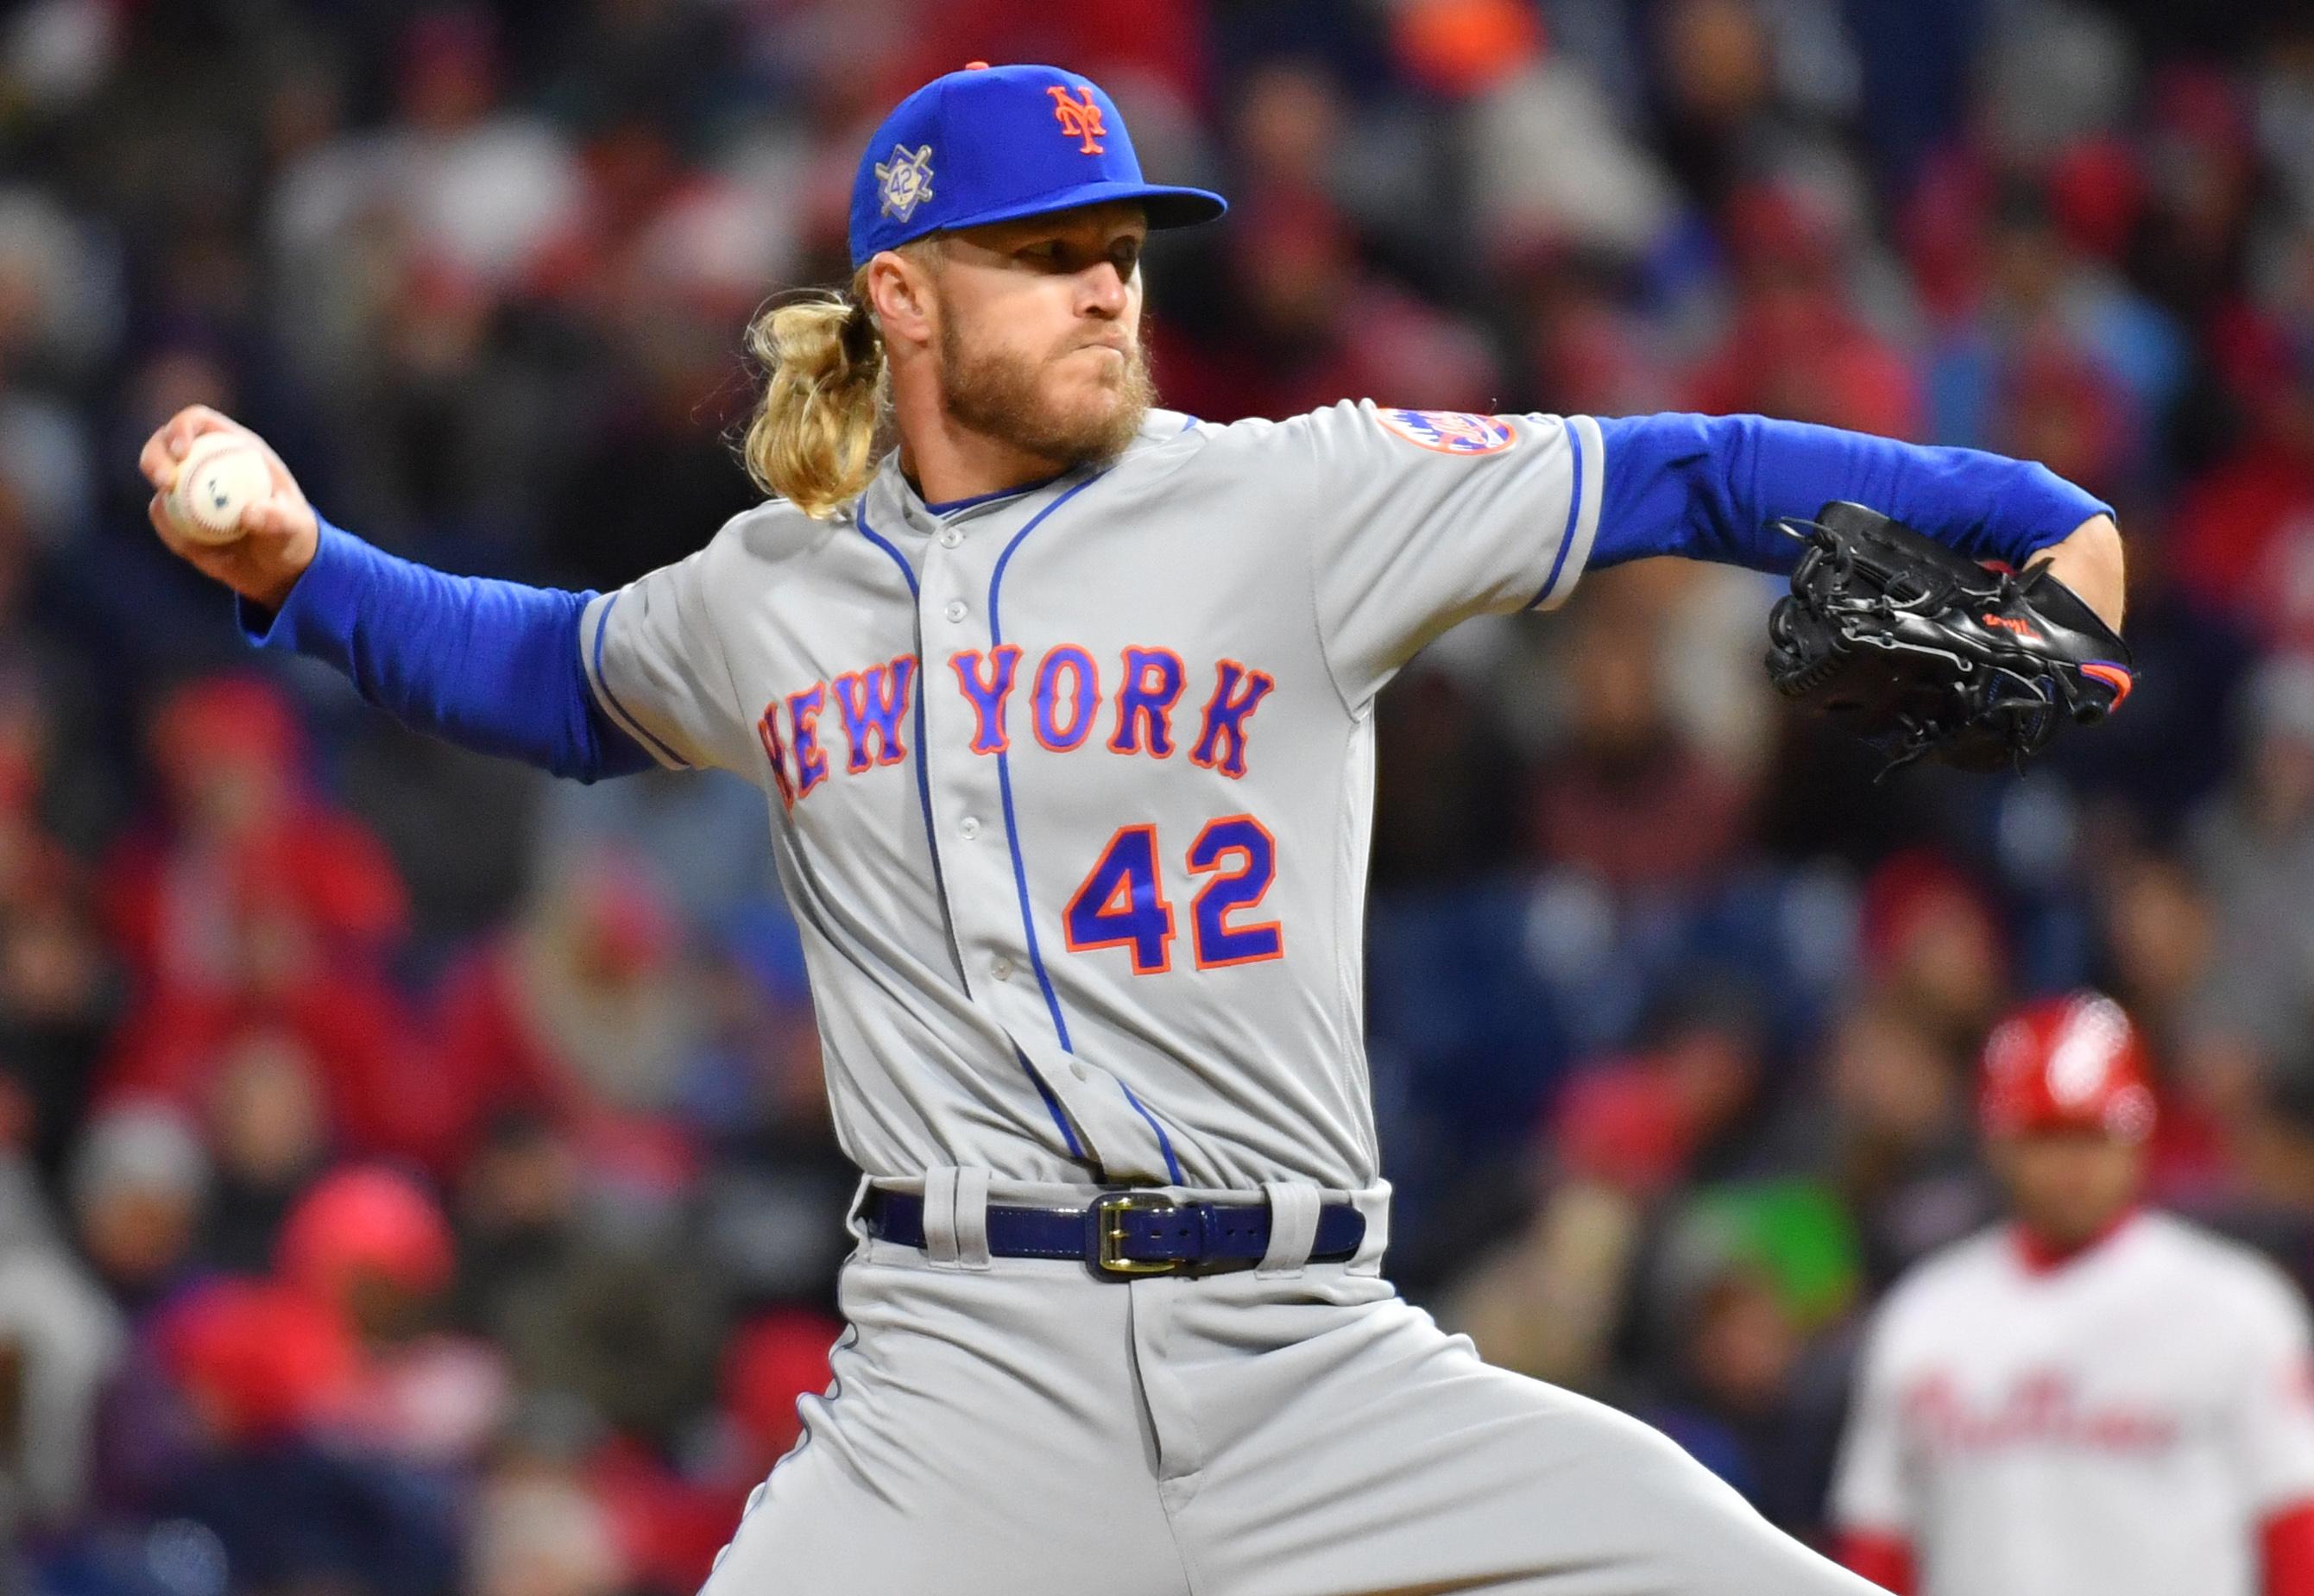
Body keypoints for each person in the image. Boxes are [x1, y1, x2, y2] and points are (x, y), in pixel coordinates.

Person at [137, 60, 2127, 1596]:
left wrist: (2024, 511)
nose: (1108, 279)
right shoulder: (772, 587)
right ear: (900, 301)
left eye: (1124, 245)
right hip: (954, 1378)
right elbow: (552, 678)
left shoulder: (1294, 501)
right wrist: (303, 562)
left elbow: (1683, 471)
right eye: (1049, 247)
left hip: (1310, 1357)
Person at [1831, 992, 2314, 1596]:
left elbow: (2294, 1526)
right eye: (2046, 1137)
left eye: (2093, 1136)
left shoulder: (2237, 1305)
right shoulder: (1923, 1314)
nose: (2072, 1166)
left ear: (2139, 1138)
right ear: (1998, 1142)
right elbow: (1878, 1542)